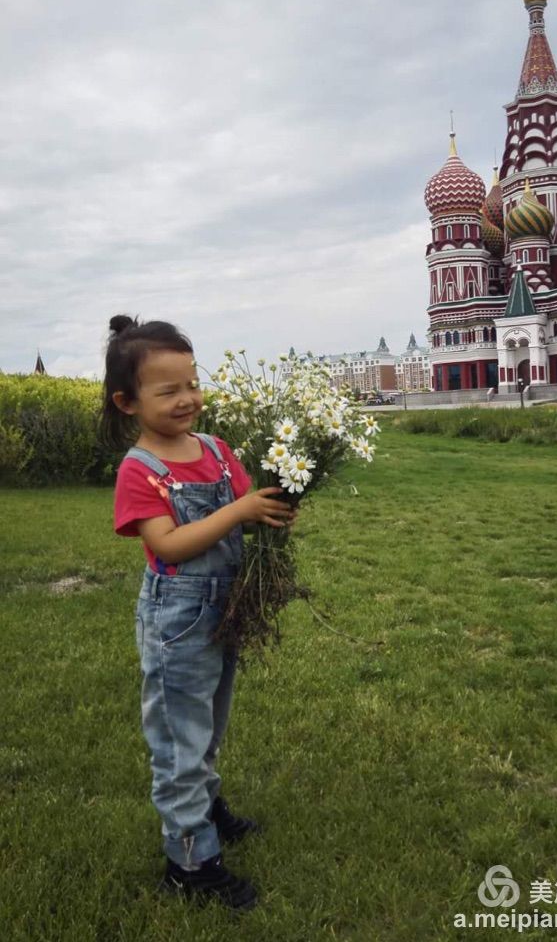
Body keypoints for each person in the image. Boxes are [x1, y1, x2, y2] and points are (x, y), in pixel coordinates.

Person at [101, 314, 295, 912]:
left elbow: (244, 514)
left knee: (207, 726)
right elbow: (168, 545)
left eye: (192, 383)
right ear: (128, 402)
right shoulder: (140, 469)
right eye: (168, 391)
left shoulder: (215, 450)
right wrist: (240, 512)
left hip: (224, 609)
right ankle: (190, 864)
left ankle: (206, 809)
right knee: (179, 739)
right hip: (178, 620)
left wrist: (273, 511)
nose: (187, 399)